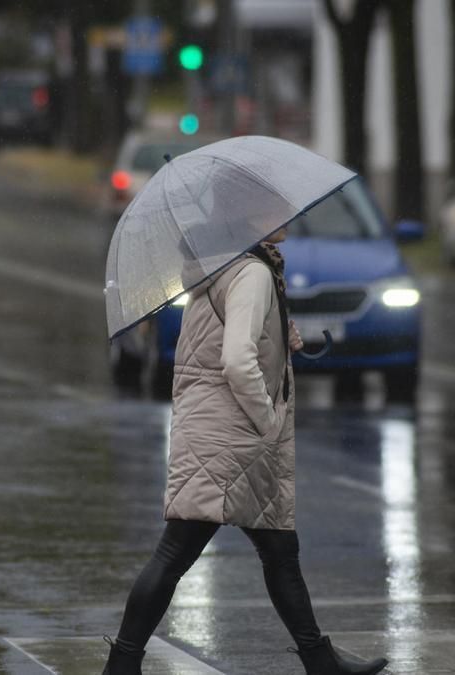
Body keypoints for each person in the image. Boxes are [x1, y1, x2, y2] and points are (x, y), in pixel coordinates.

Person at [103, 228, 389, 674]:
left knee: (278, 551)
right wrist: (268, 418)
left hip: (214, 429)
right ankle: (121, 665)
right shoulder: (252, 271)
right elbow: (236, 360)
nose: (290, 219)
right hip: (231, 436)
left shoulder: (221, 264)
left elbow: (222, 336)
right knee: (178, 552)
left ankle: (319, 660)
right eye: (276, 211)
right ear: (251, 220)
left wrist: (278, 333)